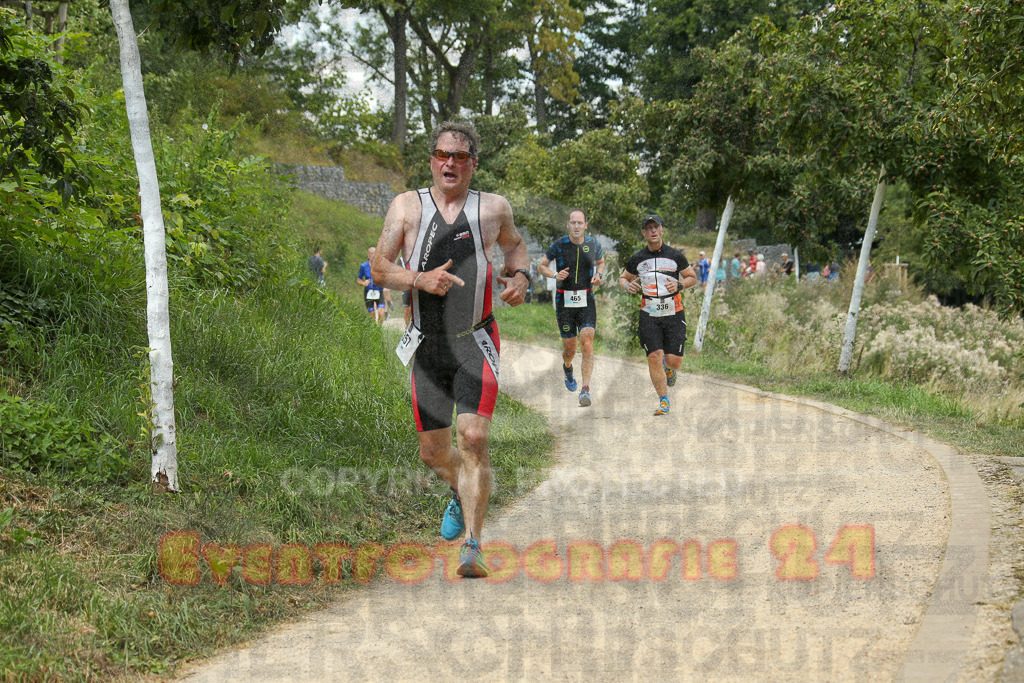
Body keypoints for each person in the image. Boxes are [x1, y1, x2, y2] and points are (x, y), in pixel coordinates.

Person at [370, 121, 529, 578]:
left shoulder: (493, 209)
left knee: (474, 438)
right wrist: (417, 279)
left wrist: (520, 279)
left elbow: (516, 249)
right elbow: (379, 268)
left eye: (460, 157)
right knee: (434, 454)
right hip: (425, 343)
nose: (450, 163)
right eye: (442, 154)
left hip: (476, 339)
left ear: (473, 164)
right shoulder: (406, 207)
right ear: (432, 159)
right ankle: (460, 492)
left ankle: (473, 546)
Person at [618, 214, 698, 416]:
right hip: (649, 313)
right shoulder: (638, 258)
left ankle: (670, 370)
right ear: (644, 233)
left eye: (656, 227)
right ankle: (663, 400)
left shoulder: (675, 256)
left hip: (674, 312)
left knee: (674, 361)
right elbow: (623, 278)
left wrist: (680, 284)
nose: (653, 231)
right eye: (649, 228)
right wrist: (628, 285)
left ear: (662, 230)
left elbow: (692, 277)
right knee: (654, 356)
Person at [537, 209, 606, 407]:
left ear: (586, 225)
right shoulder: (559, 244)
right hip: (564, 302)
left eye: (580, 223)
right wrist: (553, 275)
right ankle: (568, 367)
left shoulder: (594, 244)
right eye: (573, 223)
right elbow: (542, 266)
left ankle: (585, 389)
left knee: (587, 340)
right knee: (570, 348)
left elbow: (601, 263)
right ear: (568, 225)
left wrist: (599, 276)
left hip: (586, 299)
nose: (576, 226)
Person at [357, 247, 387, 323]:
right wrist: (363, 283)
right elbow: (358, 280)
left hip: (379, 291)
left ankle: (380, 329)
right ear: (368, 255)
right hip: (368, 292)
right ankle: (374, 330)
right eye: (371, 253)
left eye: (374, 253)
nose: (373, 255)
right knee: (372, 316)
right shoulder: (364, 266)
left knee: (381, 312)